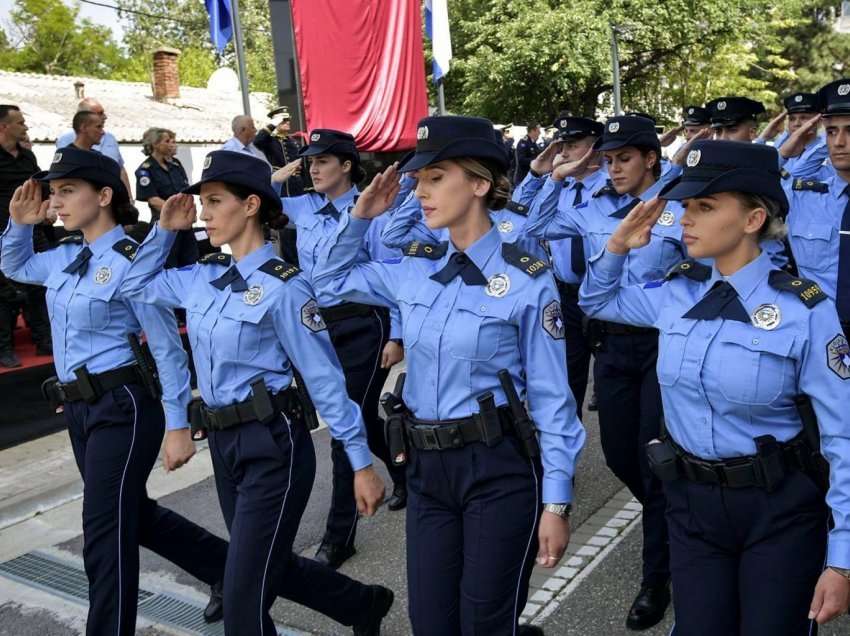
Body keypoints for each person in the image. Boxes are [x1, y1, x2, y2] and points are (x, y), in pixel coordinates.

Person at [312, 114, 586, 635]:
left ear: (479, 184)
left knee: (484, 621)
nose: (420, 192)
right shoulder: (415, 267)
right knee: (430, 622)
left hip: (497, 468)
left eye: (436, 178)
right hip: (427, 468)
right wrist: (361, 218)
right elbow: (327, 284)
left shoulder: (527, 282)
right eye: (419, 180)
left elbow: (553, 400)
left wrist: (558, 500)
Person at [579, 138, 850, 635]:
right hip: (692, 506)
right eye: (686, 206)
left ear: (752, 220)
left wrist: (843, 558)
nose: (685, 218)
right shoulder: (675, 292)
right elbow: (596, 300)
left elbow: (842, 436)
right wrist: (616, 246)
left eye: (704, 207)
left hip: (778, 510)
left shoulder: (805, 309)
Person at [121, 149, 393, 636]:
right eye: (201, 202)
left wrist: (361, 462)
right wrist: (163, 231)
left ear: (250, 205)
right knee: (266, 564)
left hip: (274, 446)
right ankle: (360, 604)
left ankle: (356, 605)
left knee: (243, 600)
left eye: (213, 201)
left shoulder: (286, 287)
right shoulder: (202, 278)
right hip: (224, 445)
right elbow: (134, 284)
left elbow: (326, 380)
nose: (203, 213)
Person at [0, 147, 226, 634]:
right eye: (53, 192)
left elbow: (167, 349)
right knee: (133, 517)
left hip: (124, 407)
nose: (55, 202)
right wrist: (19, 224)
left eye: (66, 190)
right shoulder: (63, 257)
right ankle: (252, 578)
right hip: (79, 409)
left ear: (103, 196)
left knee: (103, 532)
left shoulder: (133, 262)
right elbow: (15, 267)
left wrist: (178, 423)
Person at [524, 114, 688, 630]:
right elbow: (528, 228)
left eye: (623, 158)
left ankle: (655, 577)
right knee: (620, 455)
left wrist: (648, 298)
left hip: (664, 345)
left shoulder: (679, 203)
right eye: (608, 159)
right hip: (612, 347)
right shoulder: (590, 204)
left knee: (652, 454)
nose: (612, 168)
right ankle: (680, 520)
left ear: (651, 159)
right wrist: (550, 178)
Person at [277, 129, 407, 569]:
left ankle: (339, 536)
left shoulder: (372, 209)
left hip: (361, 323)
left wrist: (396, 335)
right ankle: (406, 468)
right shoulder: (303, 207)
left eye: (322, 161)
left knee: (342, 426)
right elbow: (254, 198)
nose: (312, 168)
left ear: (347, 165)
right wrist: (279, 173)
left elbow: (394, 277)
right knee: (362, 418)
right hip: (317, 326)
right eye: (308, 161)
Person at [513, 115, 607, 419]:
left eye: (573, 144)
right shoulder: (558, 187)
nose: (563, 152)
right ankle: (565, 456)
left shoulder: (614, 184)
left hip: (607, 294)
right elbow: (521, 219)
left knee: (612, 384)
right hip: (566, 295)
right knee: (568, 379)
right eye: (561, 145)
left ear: (596, 148)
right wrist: (536, 172)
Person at [778, 78, 850, 340]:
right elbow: (749, 188)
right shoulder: (804, 197)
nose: (839, 142)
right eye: (831, 131)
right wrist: (785, 150)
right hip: (818, 335)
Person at [0, 104, 51, 367]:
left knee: (37, 287)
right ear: (3, 126)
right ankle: (4, 348)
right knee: (4, 295)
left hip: (32, 231)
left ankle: (44, 339)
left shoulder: (28, 158)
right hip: (2, 233)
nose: (25, 127)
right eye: (20, 123)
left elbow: (40, 187)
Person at [56, 98, 133, 198]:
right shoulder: (66, 140)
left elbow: (121, 169)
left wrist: (128, 198)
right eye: (100, 113)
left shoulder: (110, 138)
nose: (105, 117)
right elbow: (63, 177)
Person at [758, 92, 830, 179]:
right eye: (792, 119)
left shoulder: (828, 151)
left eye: (804, 118)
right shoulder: (781, 148)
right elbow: (757, 173)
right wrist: (763, 138)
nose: (796, 124)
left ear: (818, 121)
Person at [134, 128, 189, 221]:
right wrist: (176, 213)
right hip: (164, 220)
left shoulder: (175, 164)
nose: (170, 144)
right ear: (155, 144)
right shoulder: (144, 170)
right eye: (166, 141)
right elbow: (153, 201)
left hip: (184, 217)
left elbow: (186, 190)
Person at [255, 106, 307, 197]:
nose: (287, 122)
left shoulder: (295, 141)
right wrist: (272, 125)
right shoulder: (269, 141)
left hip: (298, 186)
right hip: (280, 186)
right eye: (283, 120)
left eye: (288, 120)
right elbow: (257, 141)